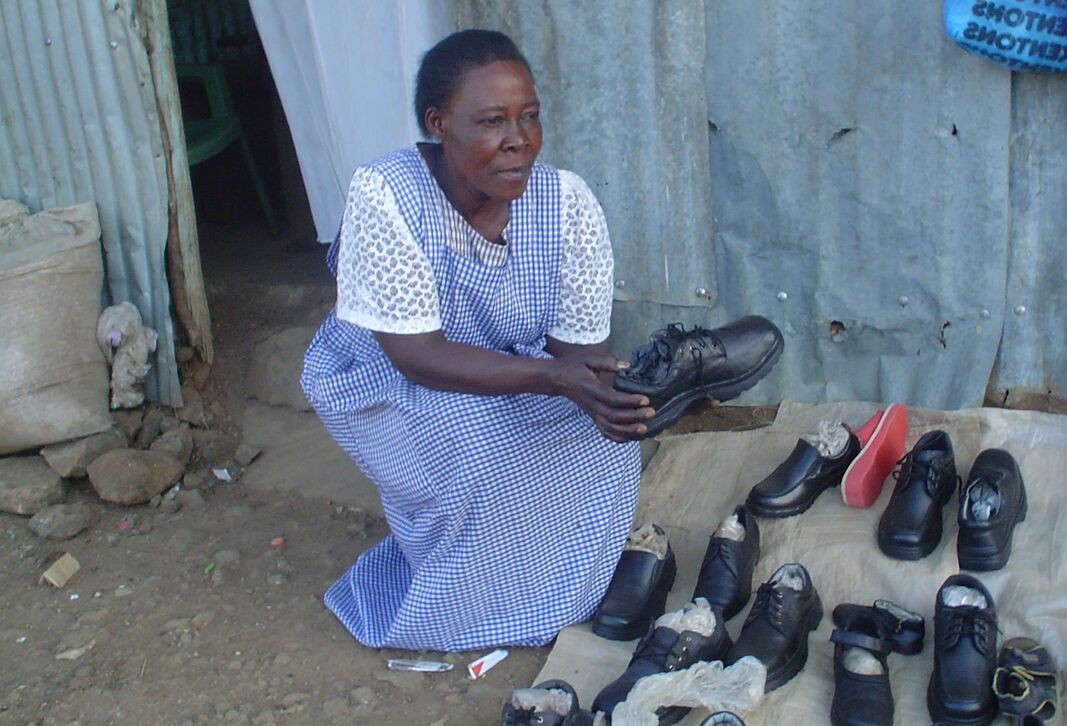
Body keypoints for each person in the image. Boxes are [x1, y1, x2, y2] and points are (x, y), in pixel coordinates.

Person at [301, 29, 656, 652]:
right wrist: (552, 379)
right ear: (439, 123)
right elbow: (416, 356)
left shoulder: (565, 202)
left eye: (530, 117)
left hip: (512, 371)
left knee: (604, 443)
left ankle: (556, 592)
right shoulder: (385, 194)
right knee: (474, 441)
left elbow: (575, 354)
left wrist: (634, 395)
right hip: (390, 377)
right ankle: (459, 609)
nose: (518, 138)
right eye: (492, 121)